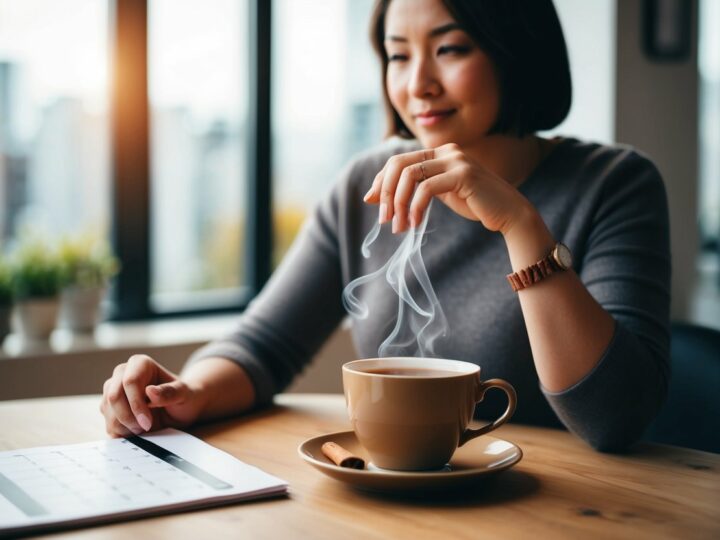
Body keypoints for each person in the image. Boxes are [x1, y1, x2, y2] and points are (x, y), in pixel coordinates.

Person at [100, 0, 670, 452]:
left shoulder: (615, 183)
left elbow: (613, 420)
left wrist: (521, 226)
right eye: (398, 55)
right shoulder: (368, 183)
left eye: (449, 48)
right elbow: (266, 345)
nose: (418, 83)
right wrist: (188, 392)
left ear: (514, 50)